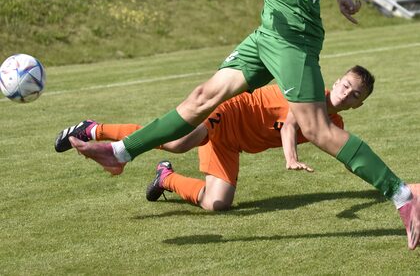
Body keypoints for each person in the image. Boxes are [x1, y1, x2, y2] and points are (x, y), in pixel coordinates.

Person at [56, 0, 420, 250]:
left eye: (355, 95)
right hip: (267, 32)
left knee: (317, 128)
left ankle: (403, 194)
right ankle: (119, 151)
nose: (346, 94)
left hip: (294, 36)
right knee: (200, 99)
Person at [56, 66, 374, 212]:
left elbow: (344, 150)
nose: (347, 93)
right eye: (346, 85)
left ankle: (165, 178)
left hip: (232, 142)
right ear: (338, 80)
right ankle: (94, 130)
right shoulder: (313, 90)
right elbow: (291, 124)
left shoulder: (335, 123)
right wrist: (290, 157)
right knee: (177, 141)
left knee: (217, 203)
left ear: (359, 104)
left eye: (355, 94)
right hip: (229, 111)